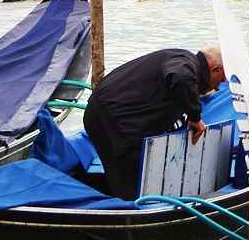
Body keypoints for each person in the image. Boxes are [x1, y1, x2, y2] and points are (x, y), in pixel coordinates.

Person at [81, 46, 226, 200]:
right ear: (215, 69)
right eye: (221, 79)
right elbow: (180, 77)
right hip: (115, 117)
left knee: (122, 174)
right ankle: (129, 214)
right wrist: (195, 116)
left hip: (105, 113)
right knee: (132, 176)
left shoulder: (180, 59)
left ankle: (116, 204)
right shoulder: (186, 64)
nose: (219, 86)